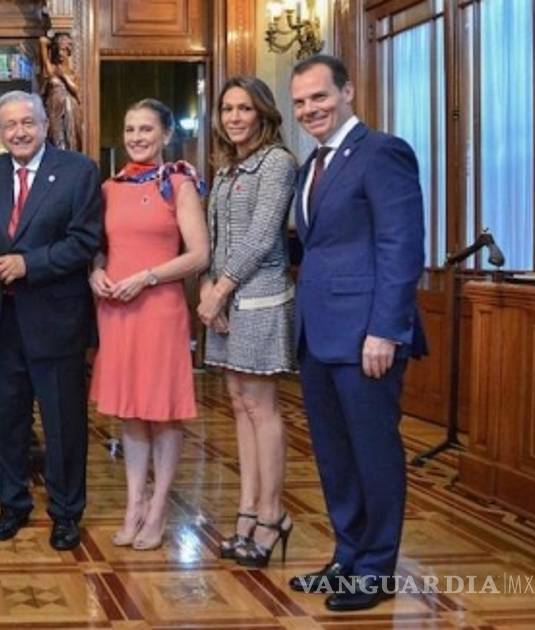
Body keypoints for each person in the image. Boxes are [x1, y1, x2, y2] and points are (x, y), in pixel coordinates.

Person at [286, 54, 426, 611]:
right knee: (334, 456)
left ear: (346, 92)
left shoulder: (382, 152)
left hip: (367, 337)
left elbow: (401, 245)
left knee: (373, 454)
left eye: (319, 97)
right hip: (318, 335)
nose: (309, 110)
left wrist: (386, 330)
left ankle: (375, 569)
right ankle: (347, 557)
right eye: (300, 102)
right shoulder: (311, 165)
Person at [0, 91, 103, 551]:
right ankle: (12, 505)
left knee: (63, 423)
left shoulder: (78, 171)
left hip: (56, 318)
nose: (19, 132)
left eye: (27, 122)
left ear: (44, 125)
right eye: (9, 125)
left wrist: (30, 263)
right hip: (2, 320)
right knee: (7, 421)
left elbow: (84, 241)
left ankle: (66, 513)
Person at [87, 99, 208, 551]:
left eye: (146, 129)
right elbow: (100, 246)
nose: (137, 137)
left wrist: (147, 277)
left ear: (166, 134)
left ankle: (158, 509)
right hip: (116, 309)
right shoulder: (109, 187)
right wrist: (95, 270)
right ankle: (133, 504)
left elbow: (199, 254)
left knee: (162, 409)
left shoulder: (178, 183)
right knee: (131, 410)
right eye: (130, 129)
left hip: (159, 309)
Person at [198, 77, 298, 566]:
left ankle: (273, 514)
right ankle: (248, 509)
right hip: (225, 301)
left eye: (244, 108)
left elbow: (261, 237)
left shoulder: (277, 162)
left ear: (263, 114)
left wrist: (219, 290)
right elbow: (215, 238)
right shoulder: (226, 167)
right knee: (239, 404)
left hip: (260, 298)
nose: (234, 117)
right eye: (227, 109)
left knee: (261, 405)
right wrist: (208, 287)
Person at [37, 33, 83, 152]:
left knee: (71, 140)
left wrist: (63, 76)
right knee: (56, 138)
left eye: (63, 50)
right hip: (54, 109)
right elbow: (42, 41)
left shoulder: (72, 73)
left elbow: (77, 92)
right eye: (57, 50)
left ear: (68, 51)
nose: (60, 53)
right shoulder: (51, 69)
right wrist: (51, 42)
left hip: (70, 108)